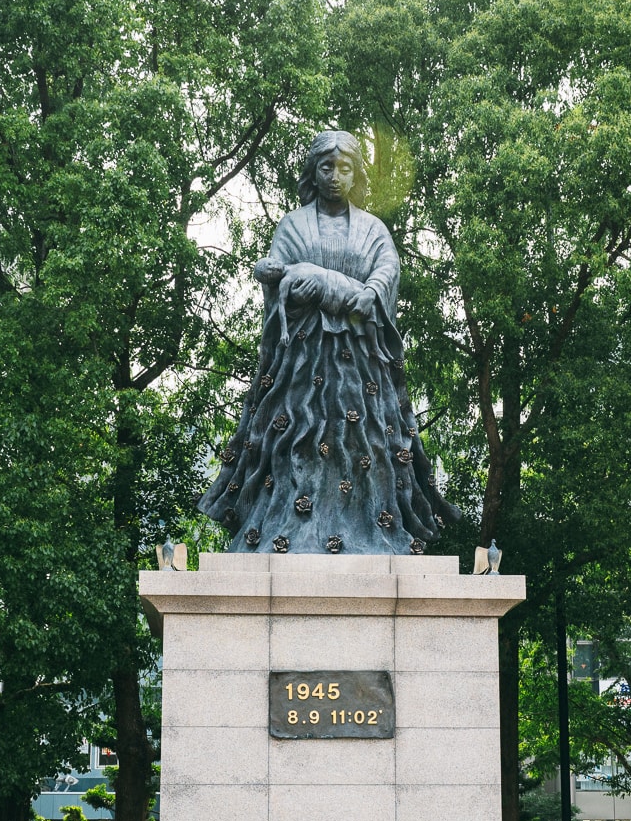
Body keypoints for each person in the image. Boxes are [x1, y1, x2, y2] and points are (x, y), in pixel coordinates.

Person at [197, 129, 460, 554]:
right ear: (313, 173)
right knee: (295, 440)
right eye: (326, 167)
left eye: (345, 167)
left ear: (356, 174)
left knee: (364, 443)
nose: (336, 175)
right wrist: (284, 284)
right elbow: (278, 282)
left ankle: (370, 527)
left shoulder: (374, 229)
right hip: (303, 360)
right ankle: (289, 527)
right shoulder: (292, 226)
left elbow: (387, 271)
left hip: (360, 362)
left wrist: (369, 294)